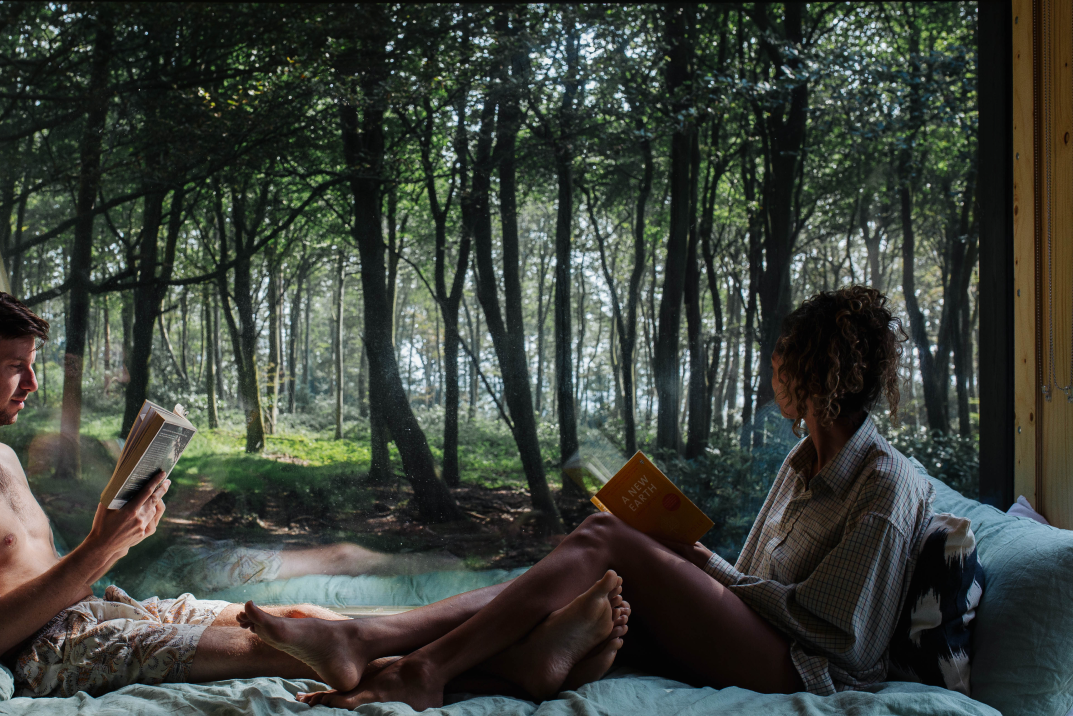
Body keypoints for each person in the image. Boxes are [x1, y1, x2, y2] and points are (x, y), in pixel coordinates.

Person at [0, 286, 629, 699]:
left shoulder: (2, 456)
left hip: (99, 609)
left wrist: (112, 544)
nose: (32, 383)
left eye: (33, 364)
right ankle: (513, 664)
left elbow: (46, 571)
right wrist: (98, 546)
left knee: (309, 616)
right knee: (276, 647)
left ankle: (519, 645)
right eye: (16, 366)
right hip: (56, 653)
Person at [239, 285, 934, 710]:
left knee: (601, 540)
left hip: (805, 670)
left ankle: (420, 668)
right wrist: (693, 563)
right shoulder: (803, 460)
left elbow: (841, 635)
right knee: (580, 581)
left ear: (813, 370)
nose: (773, 367)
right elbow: (753, 581)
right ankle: (377, 644)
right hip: (759, 637)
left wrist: (706, 565)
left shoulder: (885, 483)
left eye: (783, 355)